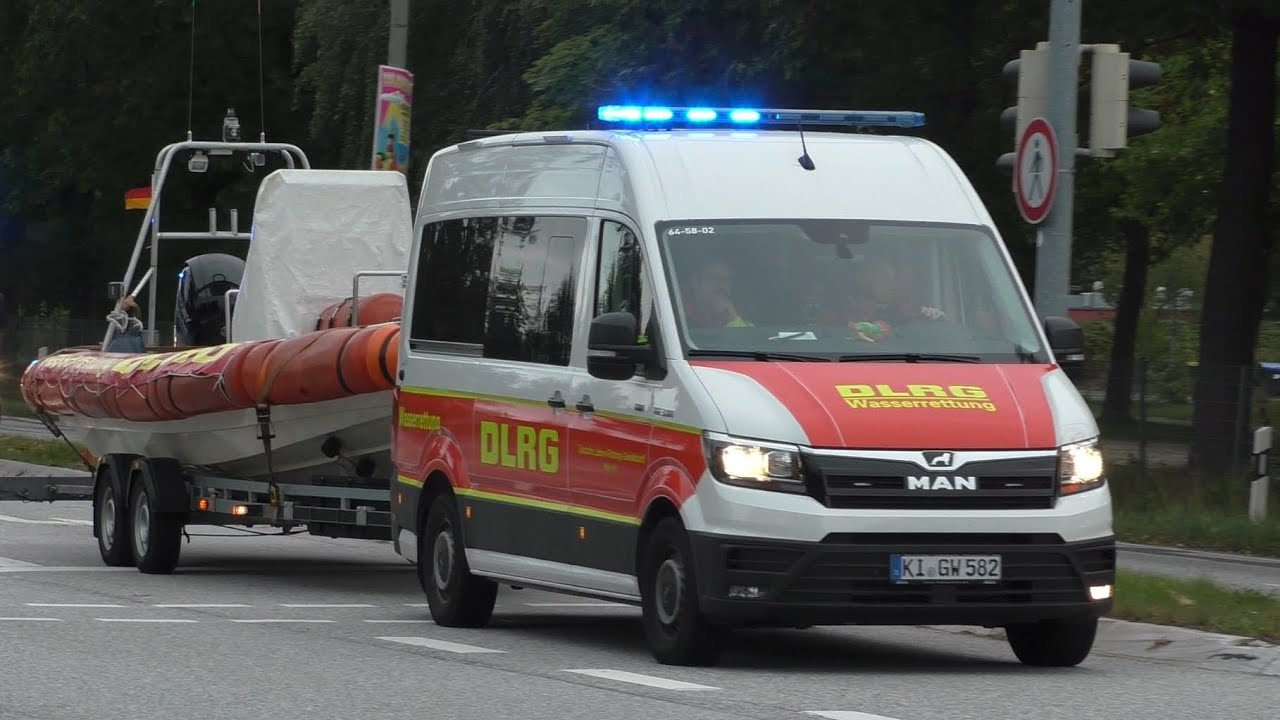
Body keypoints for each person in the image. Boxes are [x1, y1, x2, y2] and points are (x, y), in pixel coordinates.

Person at [833, 253, 946, 341]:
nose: (893, 285)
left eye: (894, 279)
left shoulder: (901, 312)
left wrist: (937, 319)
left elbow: (915, 335)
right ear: (864, 279)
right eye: (886, 279)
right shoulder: (839, 316)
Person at [681, 256, 751, 328]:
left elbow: (748, 338)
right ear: (695, 282)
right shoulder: (677, 314)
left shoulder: (739, 313)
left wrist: (732, 318)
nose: (721, 283)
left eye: (726, 279)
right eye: (712, 278)